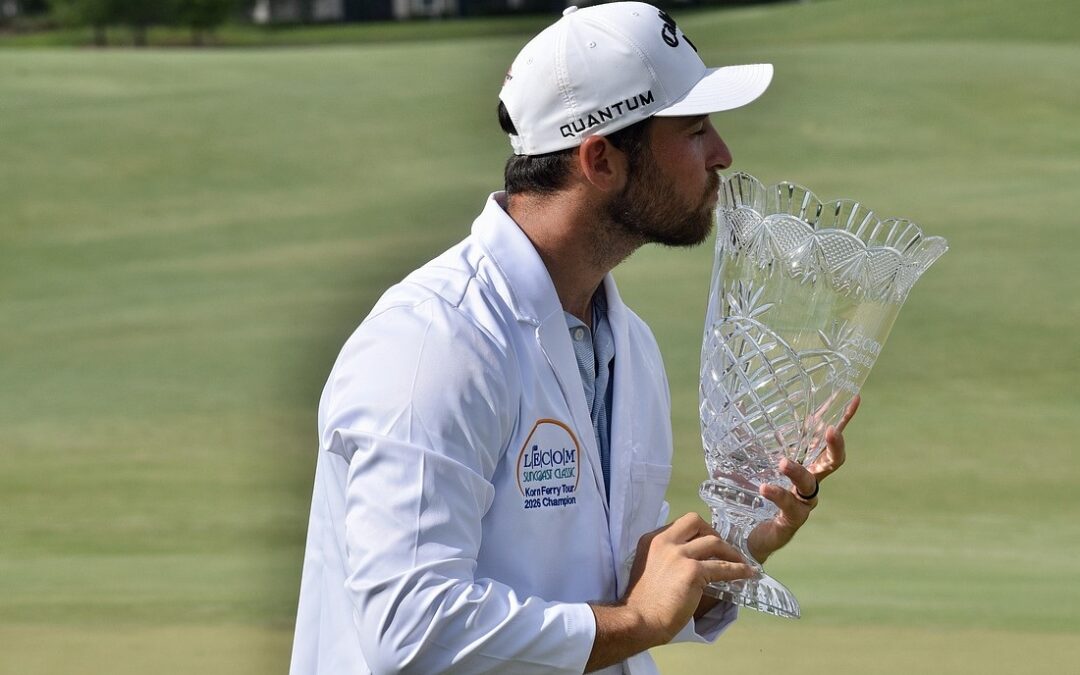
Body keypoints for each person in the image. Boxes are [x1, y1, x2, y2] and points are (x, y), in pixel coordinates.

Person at [289, 3, 858, 674]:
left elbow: (609, 598)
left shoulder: (629, 344)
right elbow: (410, 628)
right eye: (695, 129)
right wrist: (638, 618)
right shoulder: (432, 342)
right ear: (600, 159)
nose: (722, 154)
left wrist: (737, 549)